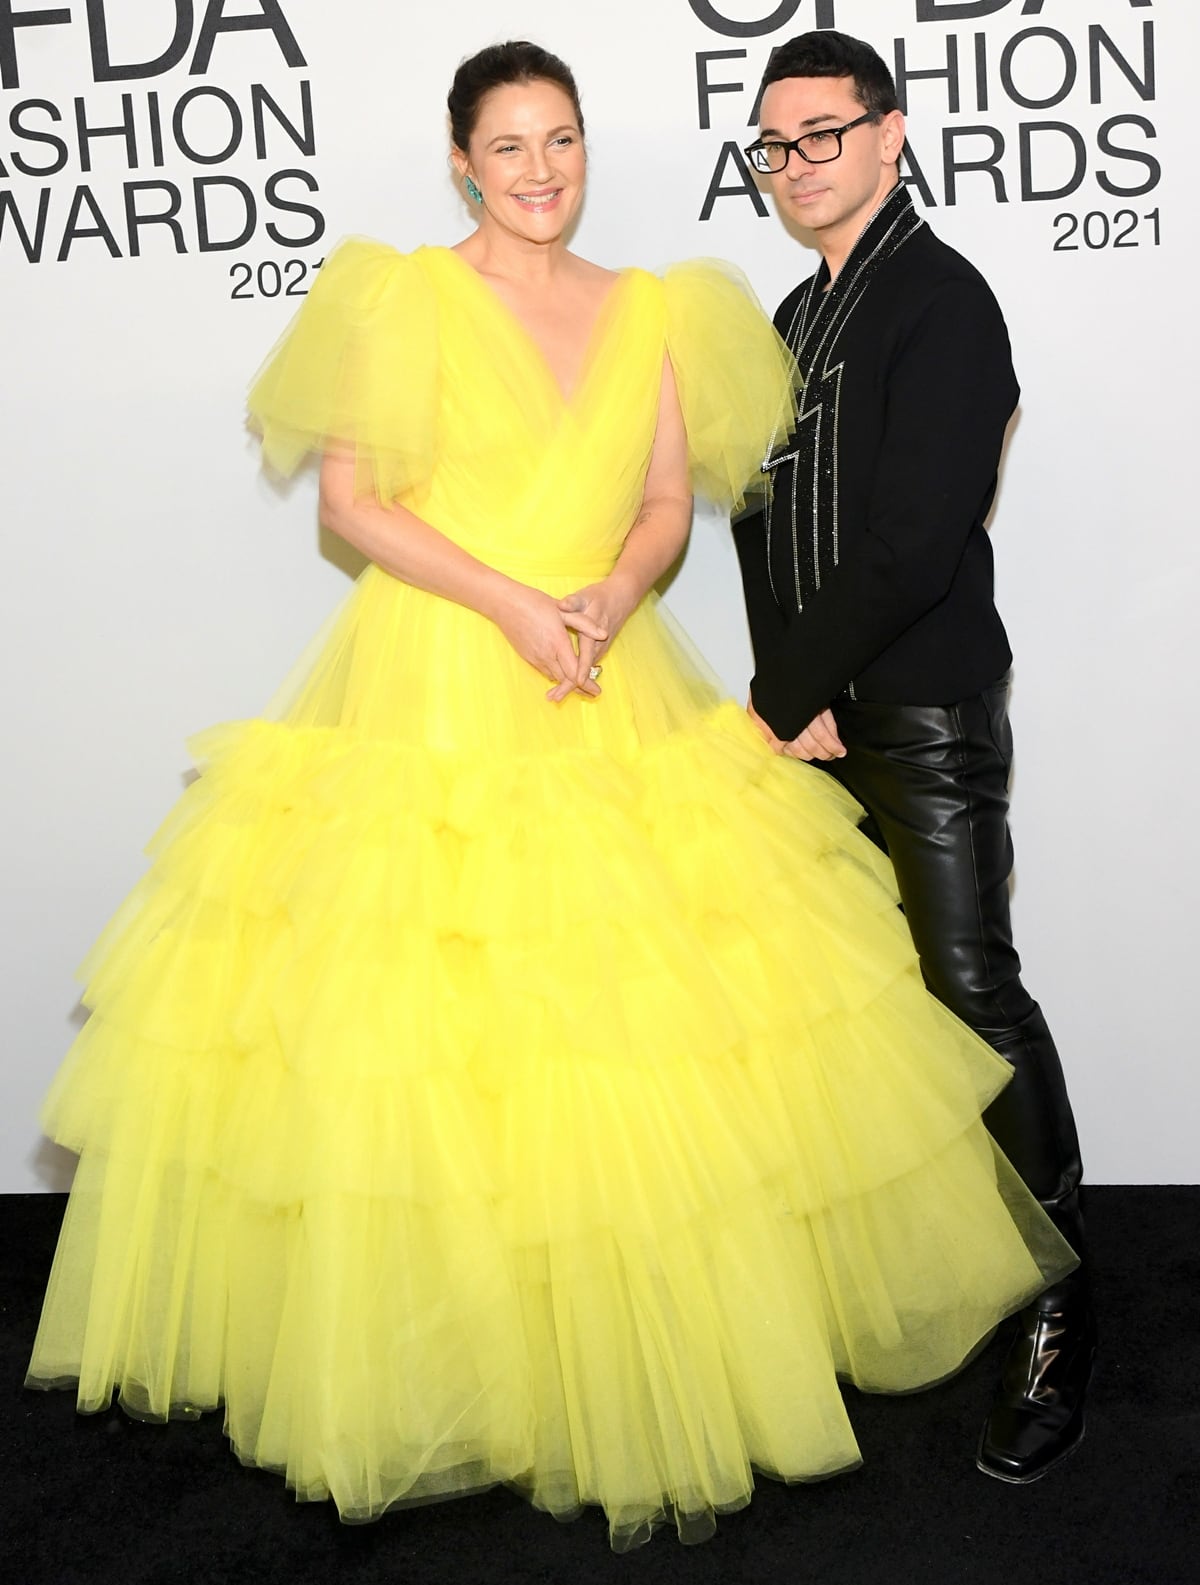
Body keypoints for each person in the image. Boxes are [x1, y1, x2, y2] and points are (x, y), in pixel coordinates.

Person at [27, 41, 1074, 1550]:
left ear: (587, 149)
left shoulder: (657, 307)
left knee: (628, 1036)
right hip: (444, 675)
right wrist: (515, 604)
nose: (540, 170)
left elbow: (664, 504)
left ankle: (635, 1350)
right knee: (433, 1039)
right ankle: (457, 1358)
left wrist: (604, 591)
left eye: (563, 140)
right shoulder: (400, 294)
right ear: (463, 159)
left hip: (606, 667)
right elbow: (355, 504)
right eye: (510, 146)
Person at [734, 30, 1094, 1484]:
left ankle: (1061, 1299)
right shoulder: (786, 318)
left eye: (823, 133)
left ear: (893, 133)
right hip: (821, 720)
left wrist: (782, 690)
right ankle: (937, 1277)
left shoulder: (945, 302)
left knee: (968, 990)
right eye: (775, 144)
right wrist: (795, 704)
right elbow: (765, 527)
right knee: (865, 1014)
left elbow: (914, 538)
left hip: (928, 713)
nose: (798, 164)